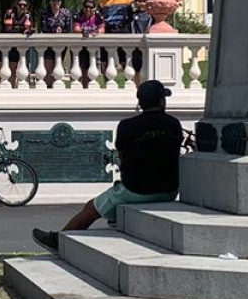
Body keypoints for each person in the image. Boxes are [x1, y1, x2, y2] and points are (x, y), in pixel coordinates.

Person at [33, 80, 185, 254]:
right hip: (169, 190)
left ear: (140, 102)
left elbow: (122, 156)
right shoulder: (173, 124)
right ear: (161, 102)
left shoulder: (127, 126)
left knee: (91, 208)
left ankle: (59, 241)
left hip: (136, 190)